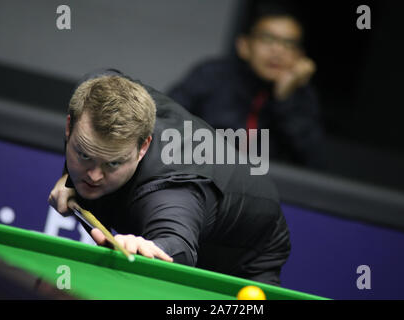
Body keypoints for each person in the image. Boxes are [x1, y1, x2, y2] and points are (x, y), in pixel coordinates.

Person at [48, 69, 291, 286]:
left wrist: (152, 249)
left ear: (143, 148)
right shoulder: (96, 94)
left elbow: (179, 248)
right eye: (84, 155)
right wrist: (69, 176)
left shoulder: (171, 190)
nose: (94, 175)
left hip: (246, 251)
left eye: (113, 163)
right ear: (70, 127)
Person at [168, 5, 324, 168]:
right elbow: (165, 123)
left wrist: (286, 100)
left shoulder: (301, 96)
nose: (277, 50)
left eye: (289, 44)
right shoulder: (212, 76)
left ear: (300, 56)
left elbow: (314, 163)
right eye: (267, 39)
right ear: (244, 46)